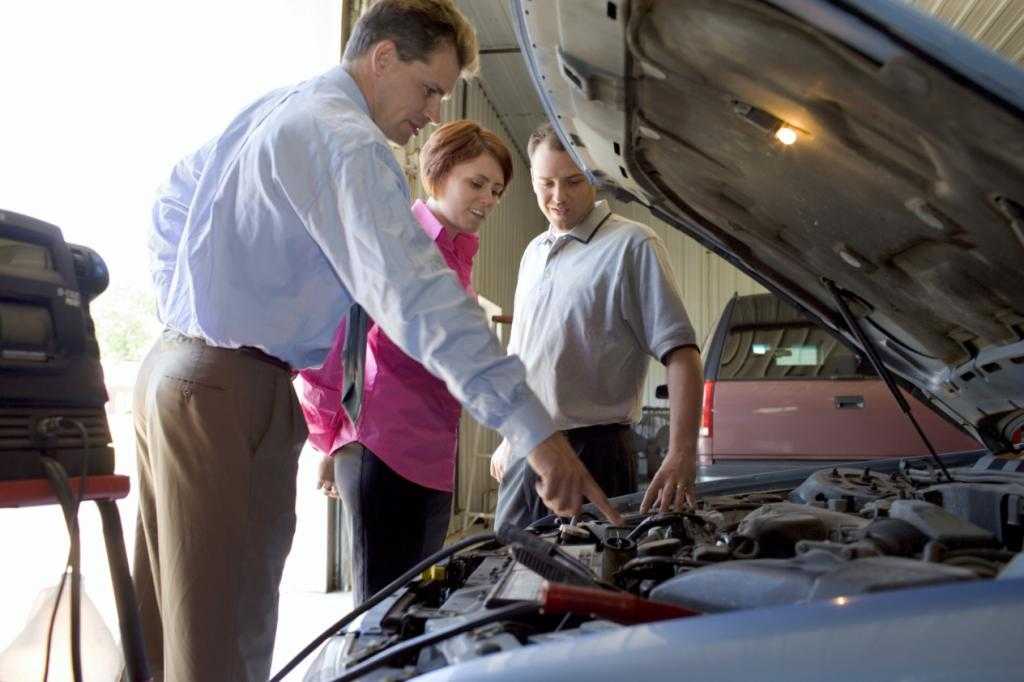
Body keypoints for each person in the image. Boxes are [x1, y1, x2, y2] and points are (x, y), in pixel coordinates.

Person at [133, 3, 619, 680]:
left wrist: (185, 309)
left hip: (177, 372)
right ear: (383, 57)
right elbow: (420, 300)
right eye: (428, 89)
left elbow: (171, 204)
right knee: (220, 642)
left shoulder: (281, 108)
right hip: (231, 385)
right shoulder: (347, 140)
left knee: (159, 630)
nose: (429, 113)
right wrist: (537, 432)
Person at [299, 119, 512, 605]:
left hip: (433, 454)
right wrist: (330, 439)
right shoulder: (397, 240)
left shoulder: (458, 254)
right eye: (476, 183)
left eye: (496, 189)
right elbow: (333, 339)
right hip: (383, 447)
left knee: (415, 605)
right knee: (379, 610)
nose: (488, 199)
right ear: (436, 176)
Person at [491, 122, 704, 530]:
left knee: (582, 580)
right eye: (546, 182)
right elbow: (525, 355)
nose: (558, 197)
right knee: (505, 578)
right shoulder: (532, 253)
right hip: (527, 446)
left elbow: (682, 354)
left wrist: (682, 453)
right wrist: (510, 436)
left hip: (593, 450)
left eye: (572, 181)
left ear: (595, 175)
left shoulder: (632, 245)